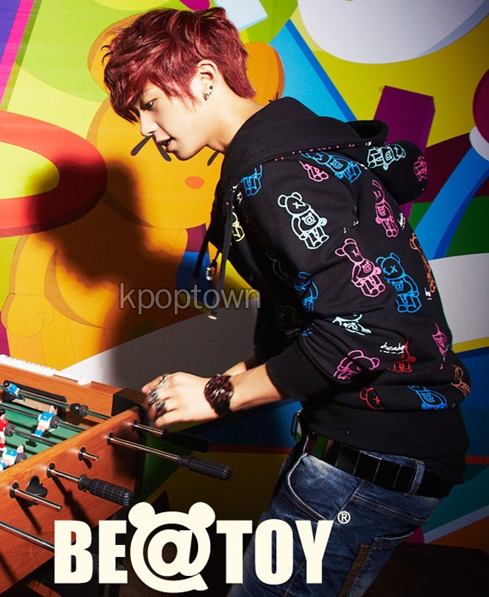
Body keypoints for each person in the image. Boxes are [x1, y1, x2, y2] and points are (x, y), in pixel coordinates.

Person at [102, 7, 471, 596]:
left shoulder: (279, 176)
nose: (145, 128)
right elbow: (323, 317)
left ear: (204, 78)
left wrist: (217, 397)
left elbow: (367, 332)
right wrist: (222, 382)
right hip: (362, 447)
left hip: (373, 454)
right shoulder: (291, 151)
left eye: (149, 104)